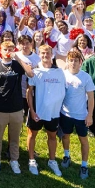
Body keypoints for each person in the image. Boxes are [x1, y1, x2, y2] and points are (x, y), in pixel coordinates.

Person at [0, 42, 34, 174]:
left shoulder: (18, 65)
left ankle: (14, 160)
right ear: (0, 51)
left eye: (10, 49)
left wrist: (18, 58)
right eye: (5, 49)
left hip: (16, 108)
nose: (8, 51)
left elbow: (30, 74)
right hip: (0, 108)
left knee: (14, 137)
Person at [26, 45, 66, 176]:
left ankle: (52, 160)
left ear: (52, 54)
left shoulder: (59, 72)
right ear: (39, 54)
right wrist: (32, 111)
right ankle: (31, 160)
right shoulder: (35, 71)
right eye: (42, 53)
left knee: (52, 136)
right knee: (32, 135)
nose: (45, 55)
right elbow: (29, 91)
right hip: (37, 111)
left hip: (53, 112)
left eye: (47, 53)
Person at [59, 49, 95, 179]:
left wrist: (89, 115)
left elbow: (91, 97)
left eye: (76, 60)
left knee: (83, 140)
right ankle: (66, 156)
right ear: (67, 62)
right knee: (65, 136)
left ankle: (84, 165)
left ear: (81, 62)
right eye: (71, 60)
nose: (73, 63)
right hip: (65, 114)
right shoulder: (62, 75)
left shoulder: (86, 77)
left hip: (81, 115)